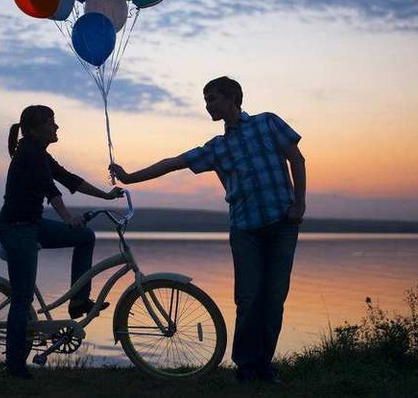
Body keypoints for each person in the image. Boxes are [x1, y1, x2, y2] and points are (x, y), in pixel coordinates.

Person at [110, 76, 306, 385]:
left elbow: (296, 157)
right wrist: (130, 178)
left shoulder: (267, 123)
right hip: (245, 230)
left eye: (212, 99)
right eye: (206, 100)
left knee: (274, 298)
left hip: (283, 224)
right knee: (249, 298)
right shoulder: (217, 147)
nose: (207, 105)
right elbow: (173, 162)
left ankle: (264, 366)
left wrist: (300, 204)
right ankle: (245, 367)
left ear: (232, 98)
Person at [0, 105, 123, 379]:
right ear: (34, 129)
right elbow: (51, 190)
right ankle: (15, 365)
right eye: (51, 123)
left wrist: (107, 196)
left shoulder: (40, 153)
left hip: (33, 225)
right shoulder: (29, 153)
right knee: (22, 299)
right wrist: (67, 218)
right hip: (17, 229)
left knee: (85, 236)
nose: (57, 128)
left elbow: (69, 180)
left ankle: (78, 302)